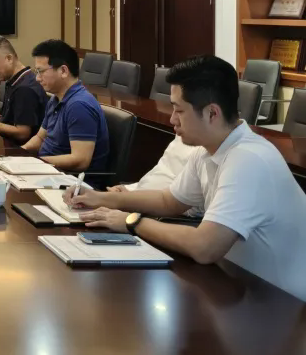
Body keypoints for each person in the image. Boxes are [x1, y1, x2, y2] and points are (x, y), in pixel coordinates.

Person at [65, 55, 306, 301]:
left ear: (212, 113)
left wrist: (131, 222)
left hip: (282, 304)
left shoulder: (248, 160)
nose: (172, 119)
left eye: (179, 110)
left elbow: (205, 247)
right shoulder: (209, 149)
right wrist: (99, 198)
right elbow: (169, 201)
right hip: (238, 287)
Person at [21, 39, 109, 171]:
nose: (37, 78)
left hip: (68, 178)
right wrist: (17, 154)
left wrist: (36, 163)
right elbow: (40, 138)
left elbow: (81, 160)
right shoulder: (56, 99)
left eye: (41, 71)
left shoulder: (79, 106)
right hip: (48, 169)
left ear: (63, 71)